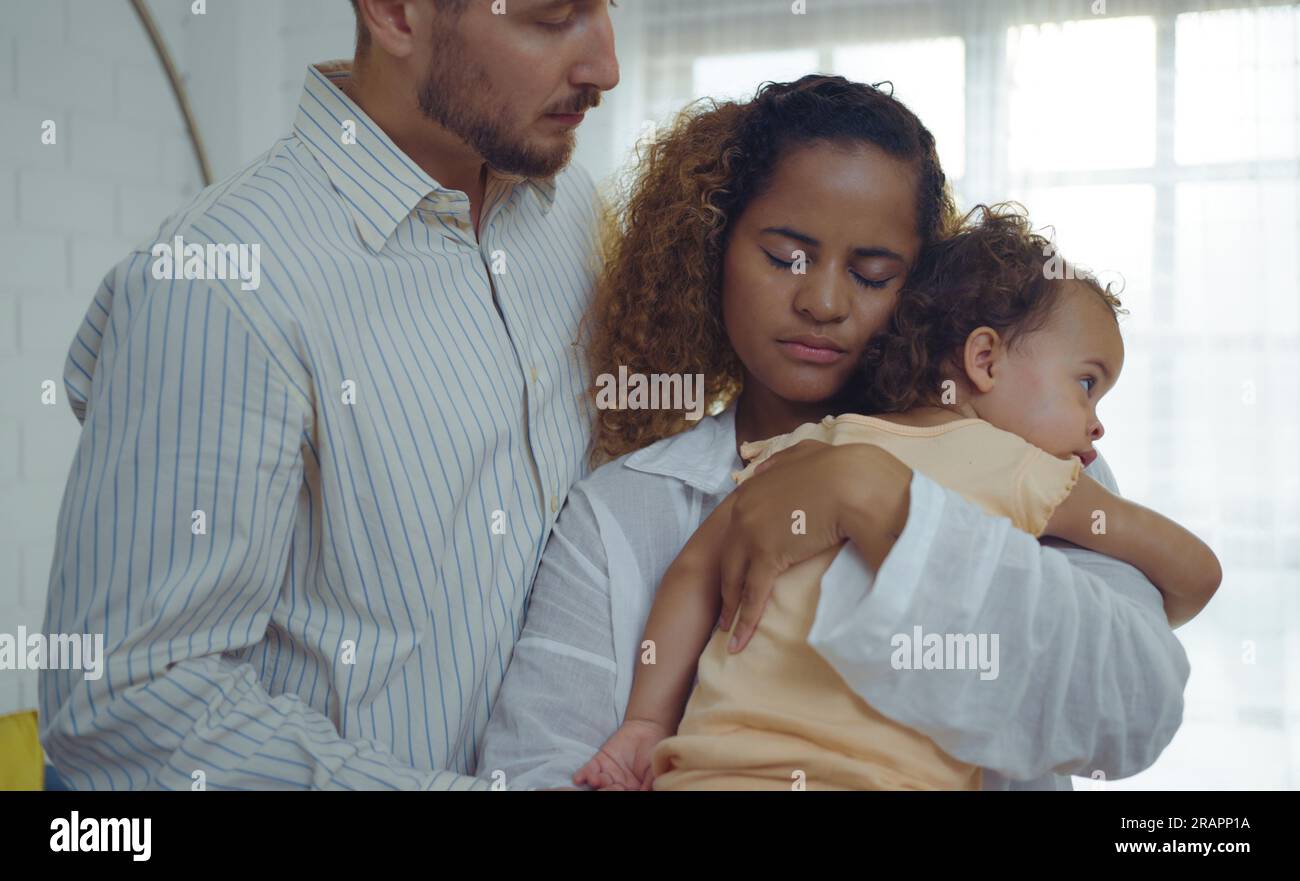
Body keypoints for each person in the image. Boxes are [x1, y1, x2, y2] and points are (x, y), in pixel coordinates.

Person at [476, 75, 1195, 791]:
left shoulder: (1045, 460)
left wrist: (873, 495)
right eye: (785, 257)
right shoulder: (623, 512)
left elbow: (1132, 711)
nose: (822, 301)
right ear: (712, 250)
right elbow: (535, 770)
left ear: (923, 290)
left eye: (873, 273)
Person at [39, 0, 619, 790]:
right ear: (396, 14)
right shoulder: (220, 284)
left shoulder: (571, 215)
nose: (606, 69)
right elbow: (128, 706)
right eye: (553, 17)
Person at [572, 205, 1222, 791]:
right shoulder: (1020, 470)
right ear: (985, 360)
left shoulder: (807, 448)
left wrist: (646, 722)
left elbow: (692, 572)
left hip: (711, 771)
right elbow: (1197, 574)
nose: (1096, 423)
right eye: (1087, 383)